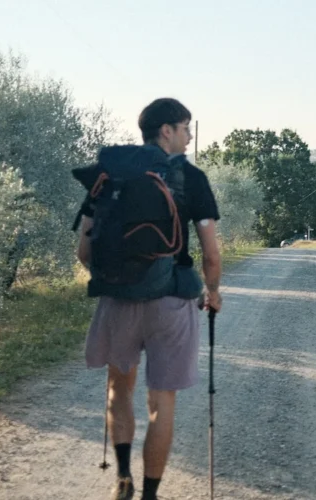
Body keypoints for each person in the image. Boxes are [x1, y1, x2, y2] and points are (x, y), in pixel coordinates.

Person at [76, 97, 222, 500]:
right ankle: (151, 495)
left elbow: (83, 251)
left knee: (118, 388)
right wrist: (213, 291)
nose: (190, 136)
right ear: (166, 131)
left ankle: (122, 476)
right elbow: (211, 254)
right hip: (172, 302)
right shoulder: (191, 179)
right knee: (162, 402)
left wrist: (115, 281)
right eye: (186, 127)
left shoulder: (110, 175)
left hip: (117, 301)